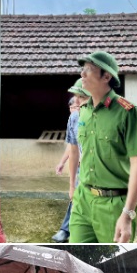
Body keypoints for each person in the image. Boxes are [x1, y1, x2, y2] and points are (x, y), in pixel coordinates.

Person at [70, 51, 137, 243]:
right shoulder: (84, 112)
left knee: (114, 258)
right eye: (82, 69)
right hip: (83, 199)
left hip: (113, 204)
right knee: (76, 257)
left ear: (106, 76)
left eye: (88, 70)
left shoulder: (126, 112)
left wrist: (128, 213)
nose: (82, 75)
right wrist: (73, 187)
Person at [52, 82, 89, 243]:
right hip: (83, 169)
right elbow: (72, 148)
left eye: (82, 99)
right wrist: (71, 184)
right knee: (76, 197)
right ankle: (66, 230)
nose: (78, 105)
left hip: (103, 172)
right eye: (76, 102)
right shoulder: (74, 119)